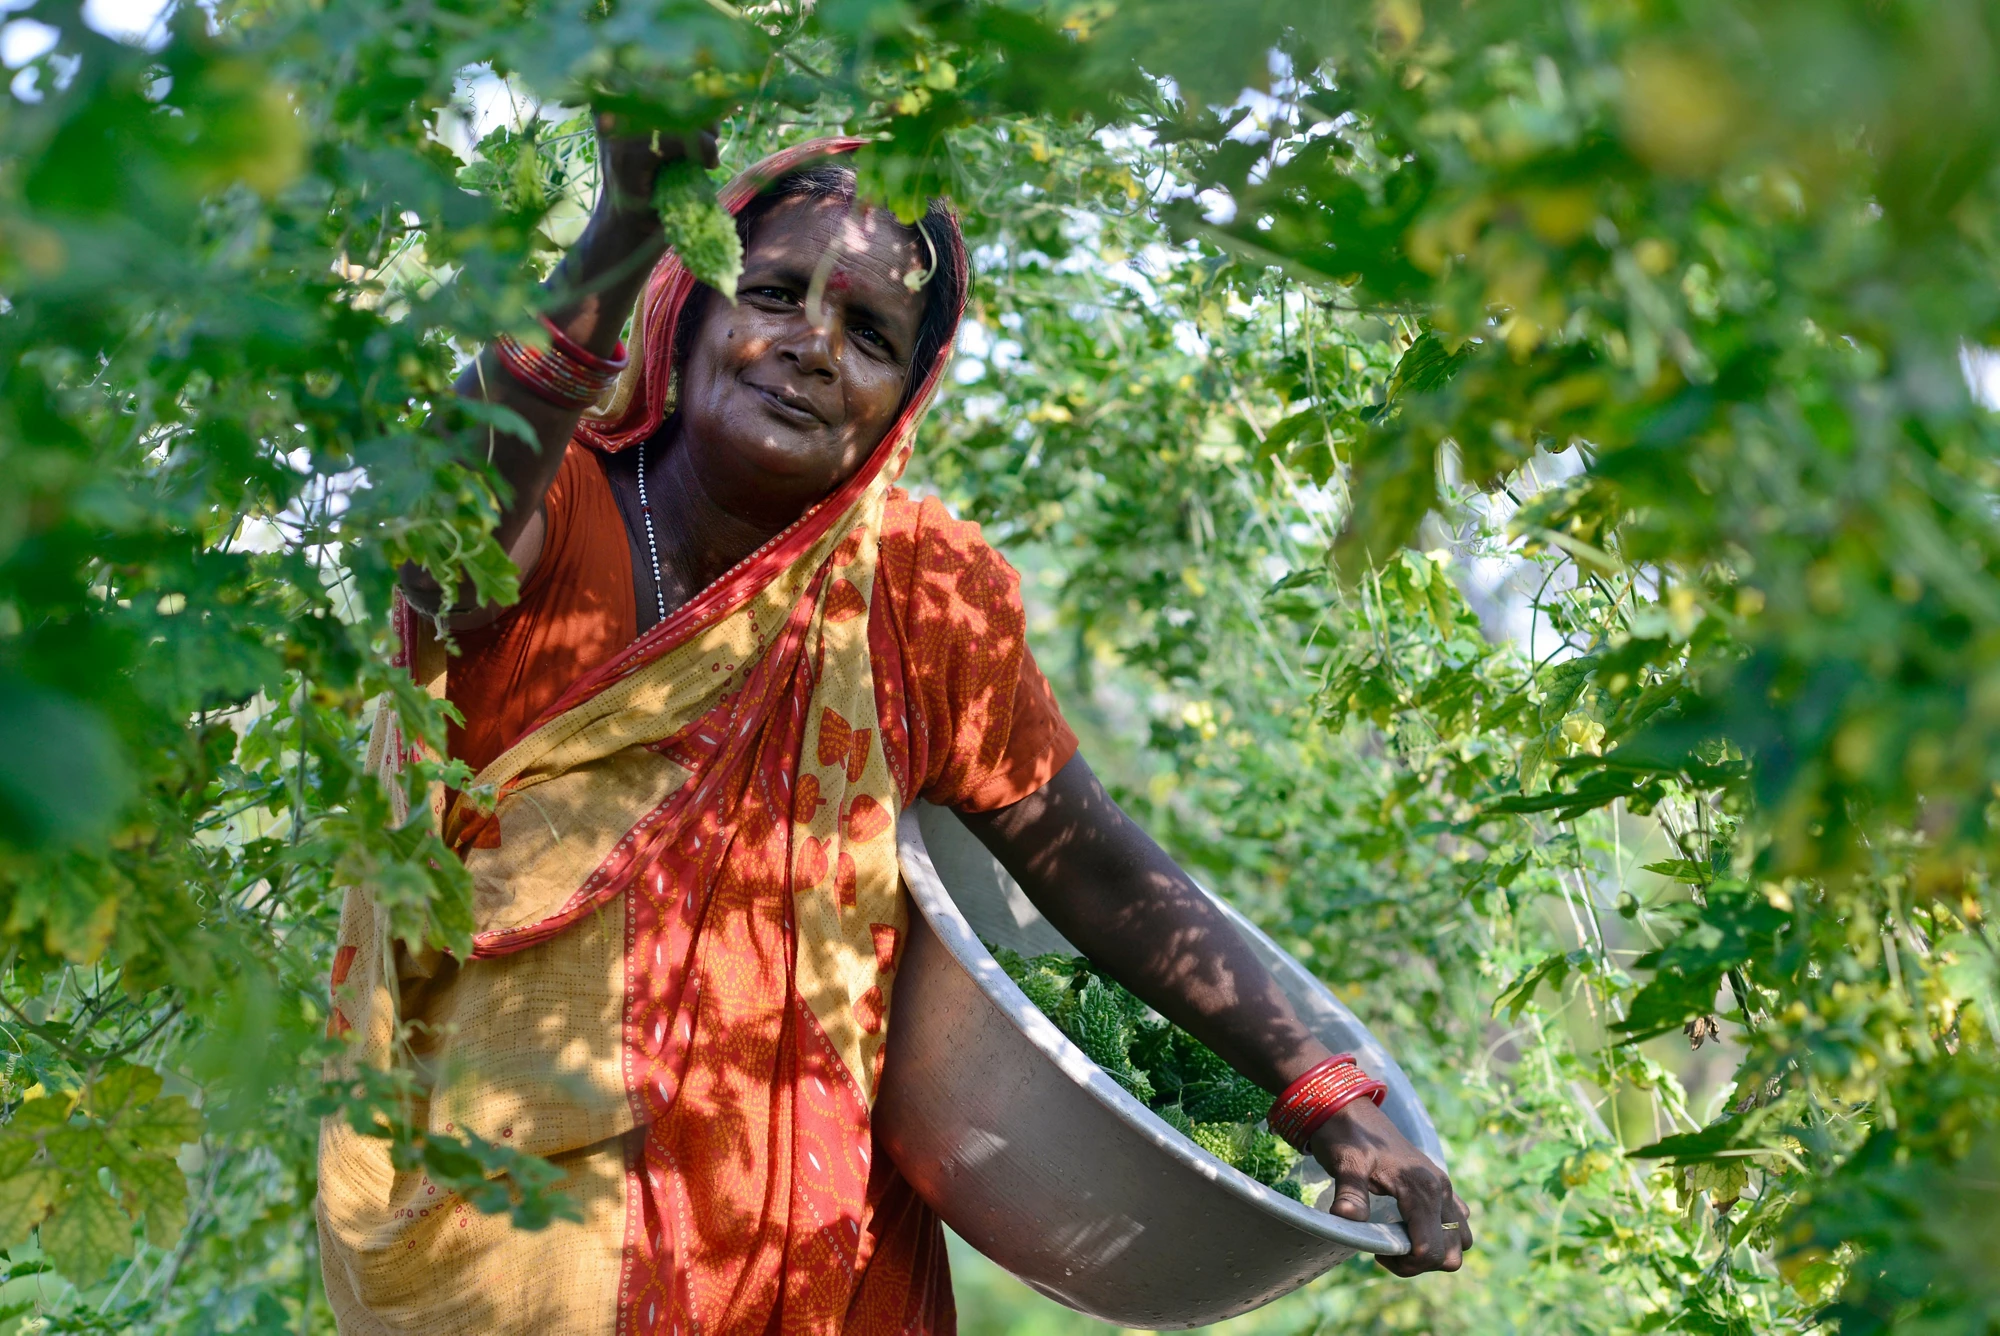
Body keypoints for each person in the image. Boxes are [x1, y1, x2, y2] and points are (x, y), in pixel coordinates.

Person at [315, 121, 1471, 1336]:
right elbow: (429, 536)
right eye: (771, 291)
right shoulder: (555, 510)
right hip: (528, 1245)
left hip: (819, 1254)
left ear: (899, 401)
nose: (812, 345)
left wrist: (1331, 1096)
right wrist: (626, 218)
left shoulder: (916, 597)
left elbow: (1094, 866)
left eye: (870, 335)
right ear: (687, 311)